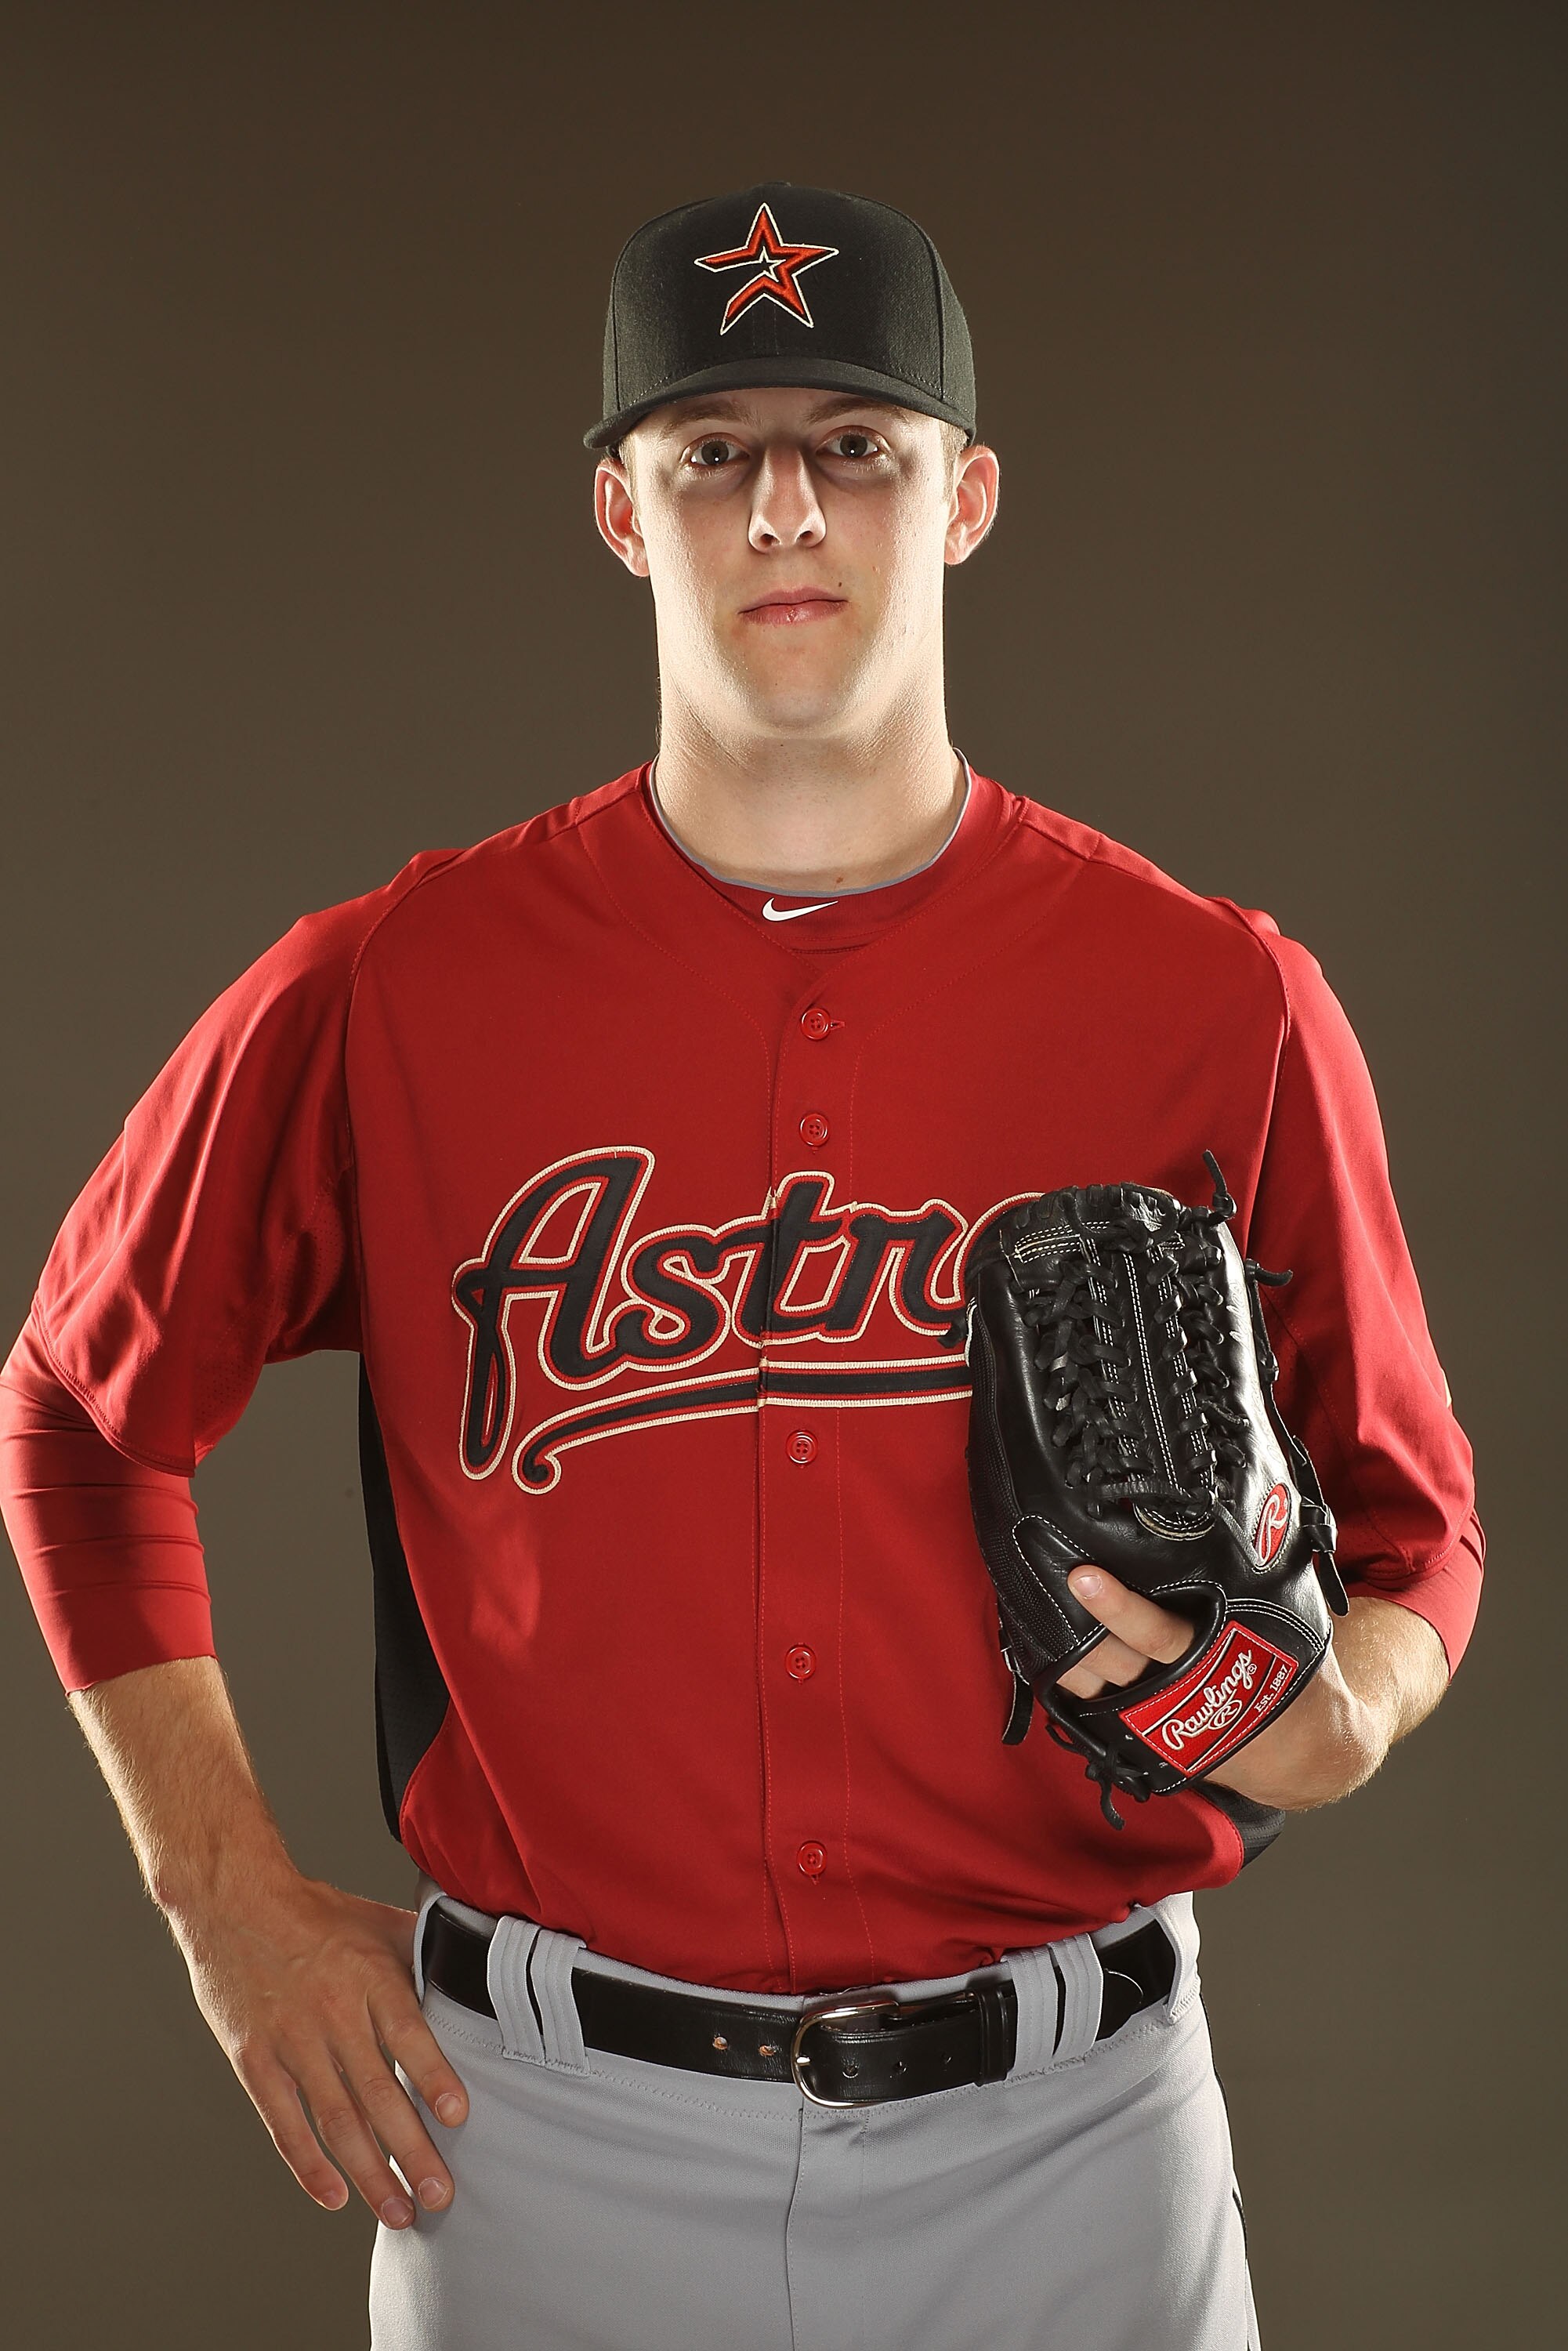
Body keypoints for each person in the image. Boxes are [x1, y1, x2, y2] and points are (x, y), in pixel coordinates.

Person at [0, 183, 1480, 2351]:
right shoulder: (393, 992)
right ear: (623, 512)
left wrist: (1343, 1707)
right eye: (713, 452)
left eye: (855, 445)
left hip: (1068, 2132)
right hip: (537, 2137)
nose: (786, 504)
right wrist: (224, 1899)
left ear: (963, 497)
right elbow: (75, 1407)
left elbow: (1414, 1529)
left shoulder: (1214, 998)